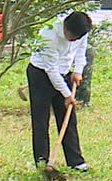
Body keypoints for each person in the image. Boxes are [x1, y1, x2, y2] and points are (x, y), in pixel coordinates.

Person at [27, 11, 92, 172]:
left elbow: (81, 50)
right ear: (65, 27)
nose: (74, 40)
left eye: (77, 38)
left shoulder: (81, 30)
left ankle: (76, 161)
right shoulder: (49, 35)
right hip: (41, 74)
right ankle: (42, 162)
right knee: (41, 120)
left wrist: (78, 70)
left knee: (68, 118)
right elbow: (51, 71)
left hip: (64, 72)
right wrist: (67, 94)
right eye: (72, 37)